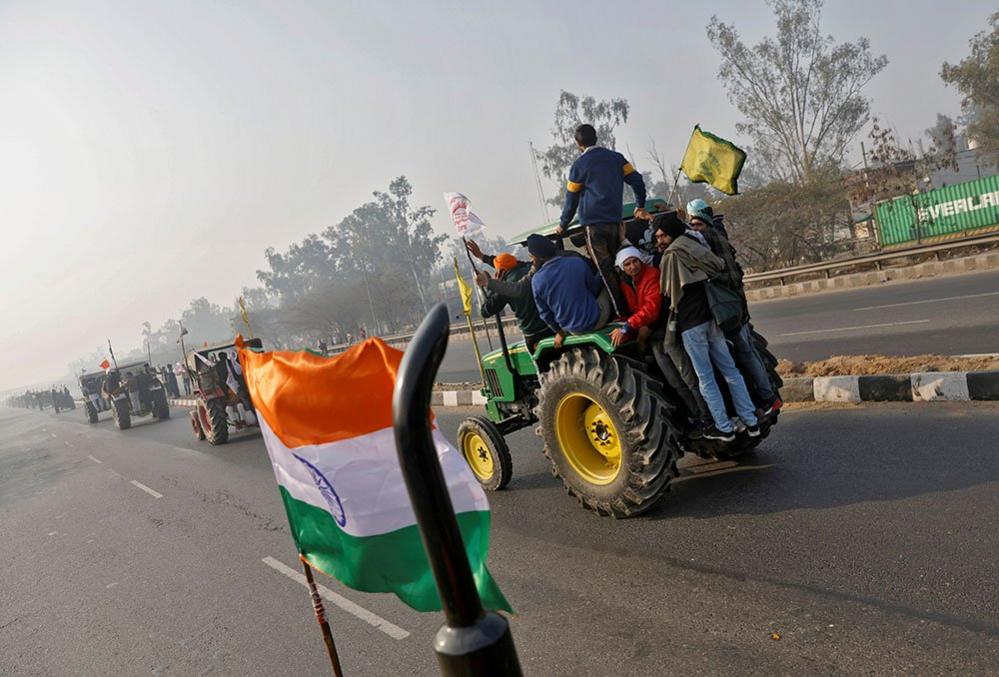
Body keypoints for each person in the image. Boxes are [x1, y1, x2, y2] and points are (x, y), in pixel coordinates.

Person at [659, 217, 759, 442]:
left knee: (705, 379)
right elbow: (718, 265)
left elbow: (666, 292)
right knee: (731, 371)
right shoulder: (696, 244)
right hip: (713, 321)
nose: (659, 240)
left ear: (671, 234)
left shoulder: (671, 255)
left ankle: (724, 428)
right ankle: (751, 421)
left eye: (662, 235)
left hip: (691, 327)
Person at [688, 204, 781, 416]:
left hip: (728, 307)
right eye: (691, 225)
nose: (694, 229)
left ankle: (766, 398)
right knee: (747, 350)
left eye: (697, 224)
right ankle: (766, 397)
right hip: (736, 303)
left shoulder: (708, 239)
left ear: (706, 224)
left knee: (745, 353)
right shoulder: (717, 234)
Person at [557, 123, 650, 318]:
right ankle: (638, 306)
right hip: (616, 223)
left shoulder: (579, 166)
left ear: (578, 144)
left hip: (594, 226)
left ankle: (622, 315)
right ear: (596, 138)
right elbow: (637, 181)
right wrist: (639, 206)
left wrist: (563, 224)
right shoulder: (616, 159)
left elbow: (571, 200)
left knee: (607, 271)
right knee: (622, 265)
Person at [466, 240, 554, 351]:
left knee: (541, 366)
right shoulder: (531, 269)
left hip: (533, 333)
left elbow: (486, 311)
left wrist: (492, 285)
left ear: (500, 272)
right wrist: (481, 256)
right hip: (551, 325)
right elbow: (506, 263)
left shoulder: (506, 288)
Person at [527, 234, 611, 348]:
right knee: (606, 286)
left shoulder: (536, 280)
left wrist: (559, 332)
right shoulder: (577, 262)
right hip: (597, 320)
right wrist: (603, 270)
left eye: (531, 256)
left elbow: (545, 314)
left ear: (538, 256)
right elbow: (594, 289)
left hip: (572, 330)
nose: (531, 259)